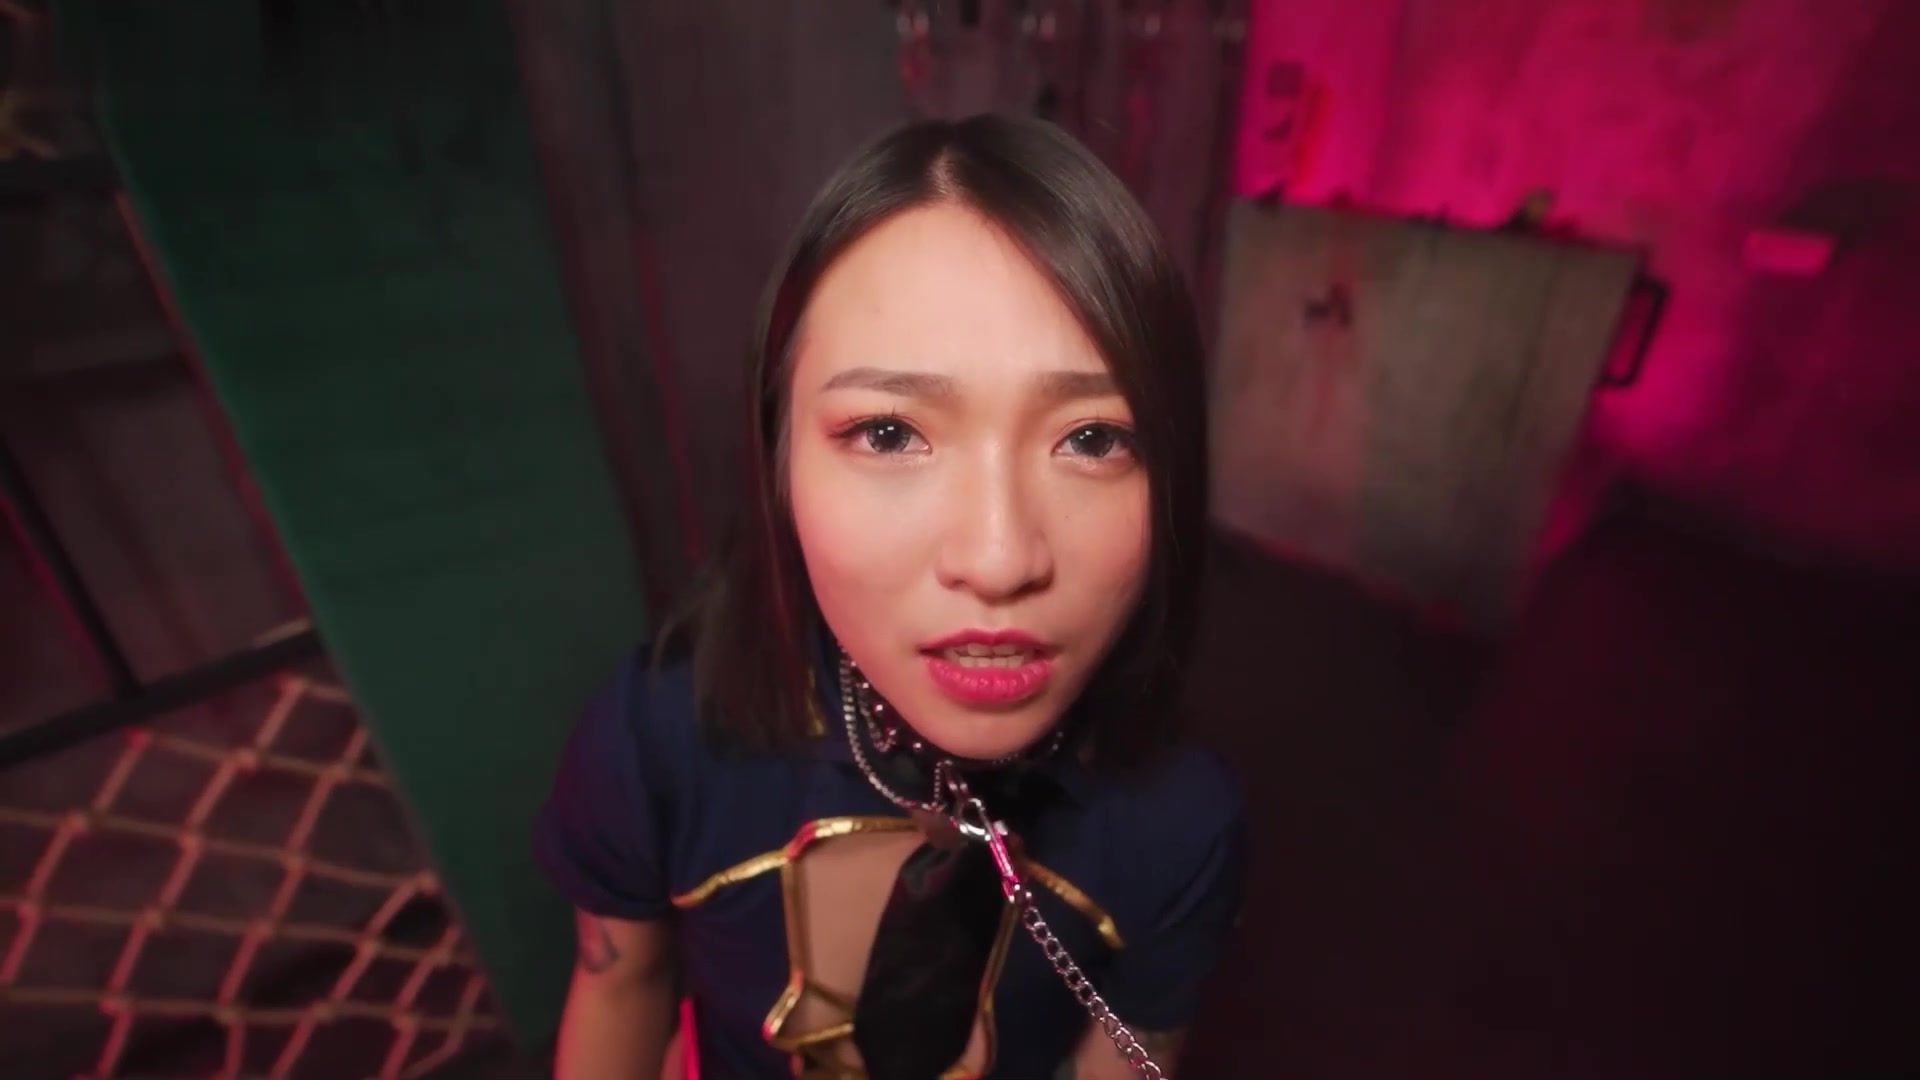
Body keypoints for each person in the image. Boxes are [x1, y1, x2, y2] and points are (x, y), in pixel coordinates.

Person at [534, 113, 1246, 1080]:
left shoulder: (1182, 822)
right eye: (887, 433)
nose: (998, 560)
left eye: (1092, 439)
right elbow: (620, 987)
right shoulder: (660, 735)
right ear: (778, 460)